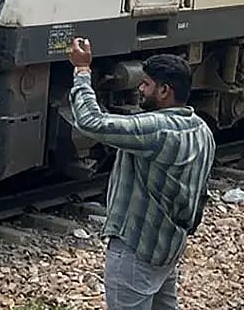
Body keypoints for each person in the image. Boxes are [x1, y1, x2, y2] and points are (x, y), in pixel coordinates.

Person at [68, 40, 215, 309]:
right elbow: (200, 193)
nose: (139, 88)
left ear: (164, 91)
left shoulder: (156, 130)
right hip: (168, 248)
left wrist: (81, 71)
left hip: (136, 251)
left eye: (145, 84)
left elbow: (91, 122)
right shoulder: (201, 130)